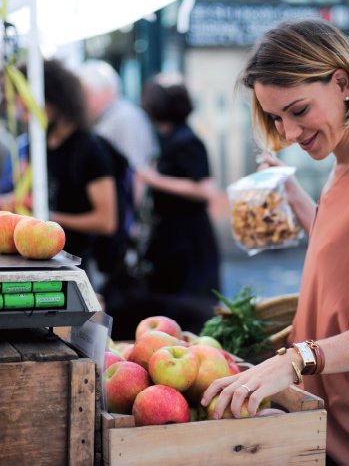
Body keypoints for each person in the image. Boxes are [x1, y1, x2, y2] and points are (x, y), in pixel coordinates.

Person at [200, 18, 349, 465]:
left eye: (298, 110)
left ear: (343, 83)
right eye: (276, 117)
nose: (289, 133)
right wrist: (299, 201)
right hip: (325, 412)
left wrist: (292, 362)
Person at [137, 72, 221, 334]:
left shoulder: (187, 140)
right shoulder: (174, 138)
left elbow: (205, 188)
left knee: (192, 313)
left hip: (189, 243)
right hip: (175, 242)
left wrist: (154, 179)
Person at [22, 59, 119, 276]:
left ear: (53, 101)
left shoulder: (90, 149)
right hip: (43, 262)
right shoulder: (37, 144)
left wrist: (49, 217)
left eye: (29, 106)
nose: (25, 116)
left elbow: (106, 221)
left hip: (79, 267)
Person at [78, 59, 160, 210]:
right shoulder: (108, 117)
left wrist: (130, 221)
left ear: (104, 91)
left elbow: (138, 173)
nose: (82, 101)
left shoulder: (125, 117)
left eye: (86, 93)